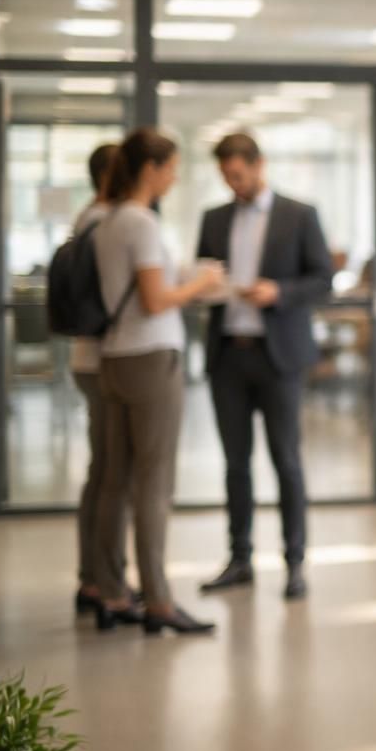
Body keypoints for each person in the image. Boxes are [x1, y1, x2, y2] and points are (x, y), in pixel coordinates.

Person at [92, 127, 226, 634]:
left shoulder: (106, 221)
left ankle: (111, 590)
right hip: (150, 359)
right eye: (171, 168)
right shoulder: (142, 223)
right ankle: (159, 602)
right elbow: (154, 300)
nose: (173, 178)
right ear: (151, 169)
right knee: (154, 483)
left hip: (114, 358)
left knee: (115, 480)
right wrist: (201, 283)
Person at [195, 133, 333, 602]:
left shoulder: (299, 215)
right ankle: (240, 558)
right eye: (226, 177)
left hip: (279, 356)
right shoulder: (213, 219)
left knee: (286, 461)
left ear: (259, 166)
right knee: (236, 464)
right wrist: (203, 284)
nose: (233, 185)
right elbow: (203, 274)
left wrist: (279, 292)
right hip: (227, 354)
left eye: (238, 175)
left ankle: (295, 562)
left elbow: (323, 281)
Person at [70, 143, 127, 618]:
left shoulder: (89, 217)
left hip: (90, 357)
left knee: (101, 471)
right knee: (112, 474)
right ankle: (106, 582)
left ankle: (93, 576)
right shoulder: (106, 221)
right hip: (103, 358)